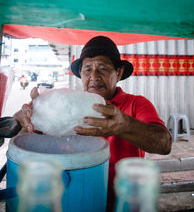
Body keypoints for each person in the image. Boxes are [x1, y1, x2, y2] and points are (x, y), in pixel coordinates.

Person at [14, 36, 172, 211]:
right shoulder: (65, 106)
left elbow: (164, 144)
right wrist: (30, 117)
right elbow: (31, 134)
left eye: (102, 69)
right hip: (77, 198)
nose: (94, 77)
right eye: (87, 70)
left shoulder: (136, 104)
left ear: (118, 73)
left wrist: (124, 125)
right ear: (80, 75)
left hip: (122, 201)